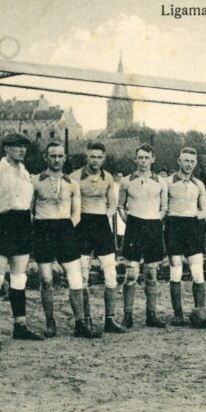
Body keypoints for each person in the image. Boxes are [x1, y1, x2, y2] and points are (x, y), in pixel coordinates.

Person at [0, 133, 44, 342]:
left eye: (24, 147)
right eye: (16, 147)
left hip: (21, 224)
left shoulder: (25, 173)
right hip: (1, 223)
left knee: (19, 277)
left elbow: (27, 202)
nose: (21, 150)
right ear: (6, 148)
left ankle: (20, 326)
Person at [32, 142, 102, 339]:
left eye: (60, 156)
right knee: (46, 280)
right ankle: (50, 322)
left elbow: (76, 213)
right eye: (52, 155)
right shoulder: (35, 181)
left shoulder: (73, 183)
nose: (56, 160)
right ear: (46, 157)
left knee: (76, 277)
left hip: (65, 230)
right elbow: (30, 211)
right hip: (43, 229)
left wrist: (66, 230)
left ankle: (80, 323)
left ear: (65, 158)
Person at [69, 142, 127, 334]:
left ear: (104, 158)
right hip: (82, 225)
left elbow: (113, 204)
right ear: (87, 156)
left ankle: (109, 319)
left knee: (111, 273)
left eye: (99, 157)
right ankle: (86, 320)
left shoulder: (108, 177)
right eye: (92, 156)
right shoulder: (75, 177)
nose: (95, 160)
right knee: (82, 274)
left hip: (101, 225)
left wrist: (104, 217)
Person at [118, 144, 168, 328]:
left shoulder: (160, 182)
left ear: (153, 159)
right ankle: (128, 315)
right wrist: (130, 223)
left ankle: (151, 315)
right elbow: (120, 207)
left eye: (147, 158)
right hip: (134, 226)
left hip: (153, 226)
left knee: (151, 272)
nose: (144, 161)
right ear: (135, 159)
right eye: (140, 158)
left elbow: (164, 208)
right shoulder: (126, 181)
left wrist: (155, 222)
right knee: (131, 272)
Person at [164, 147, 206, 326]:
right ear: (179, 161)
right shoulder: (167, 182)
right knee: (176, 271)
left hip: (192, 228)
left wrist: (191, 217)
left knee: (197, 271)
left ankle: (201, 313)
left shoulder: (199, 184)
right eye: (186, 161)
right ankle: (178, 314)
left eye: (192, 161)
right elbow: (162, 206)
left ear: (195, 163)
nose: (189, 164)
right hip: (174, 227)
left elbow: (204, 209)